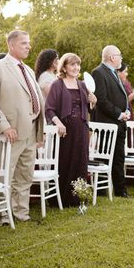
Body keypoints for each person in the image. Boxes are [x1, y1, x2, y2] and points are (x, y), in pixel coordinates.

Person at [0, 30, 45, 222]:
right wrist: (4, 125)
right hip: (10, 132)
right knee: (5, 175)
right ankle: (0, 215)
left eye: (29, 43)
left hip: (31, 130)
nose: (29, 46)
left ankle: (20, 212)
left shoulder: (28, 70)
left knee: (25, 175)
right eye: (24, 43)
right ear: (11, 45)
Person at [44, 53, 97, 206]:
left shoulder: (82, 85)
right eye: (72, 64)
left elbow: (88, 110)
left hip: (81, 130)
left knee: (80, 162)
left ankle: (78, 197)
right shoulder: (57, 84)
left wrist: (92, 101)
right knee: (65, 162)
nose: (76, 68)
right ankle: (62, 199)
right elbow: (49, 109)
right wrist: (58, 123)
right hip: (64, 132)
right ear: (64, 67)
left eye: (78, 65)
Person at [91, 45, 130, 197]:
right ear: (112, 57)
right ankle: (104, 191)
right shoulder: (99, 72)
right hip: (107, 123)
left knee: (119, 157)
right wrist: (119, 114)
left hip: (119, 123)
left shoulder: (113, 72)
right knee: (106, 158)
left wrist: (126, 110)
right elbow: (101, 100)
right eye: (119, 55)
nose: (121, 58)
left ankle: (120, 190)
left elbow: (121, 96)